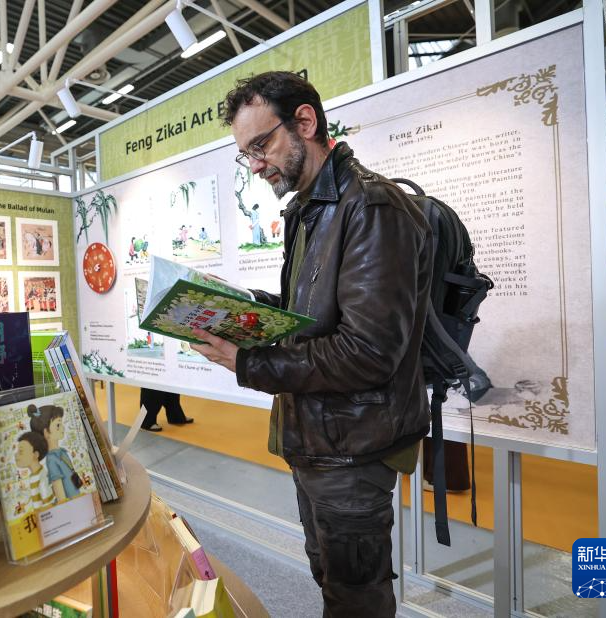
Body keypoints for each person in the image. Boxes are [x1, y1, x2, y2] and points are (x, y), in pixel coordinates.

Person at [190, 71, 431, 617]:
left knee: (355, 597)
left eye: (261, 145)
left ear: (304, 122)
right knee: (329, 574)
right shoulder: (311, 208)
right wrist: (238, 302)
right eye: (246, 154)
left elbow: (368, 351)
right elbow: (308, 314)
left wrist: (248, 362)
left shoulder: (371, 207)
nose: (255, 165)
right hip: (317, 438)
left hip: (355, 447)